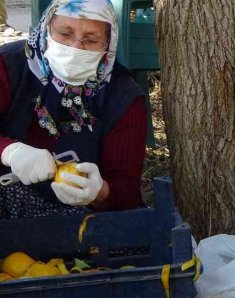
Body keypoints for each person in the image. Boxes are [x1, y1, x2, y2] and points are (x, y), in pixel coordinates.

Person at [0, 0, 146, 219]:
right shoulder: (9, 66)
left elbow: (127, 191)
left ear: (108, 45)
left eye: (90, 40)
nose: (75, 47)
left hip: (79, 218)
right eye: (65, 33)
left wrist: (99, 193)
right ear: (47, 28)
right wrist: (11, 152)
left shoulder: (123, 96)